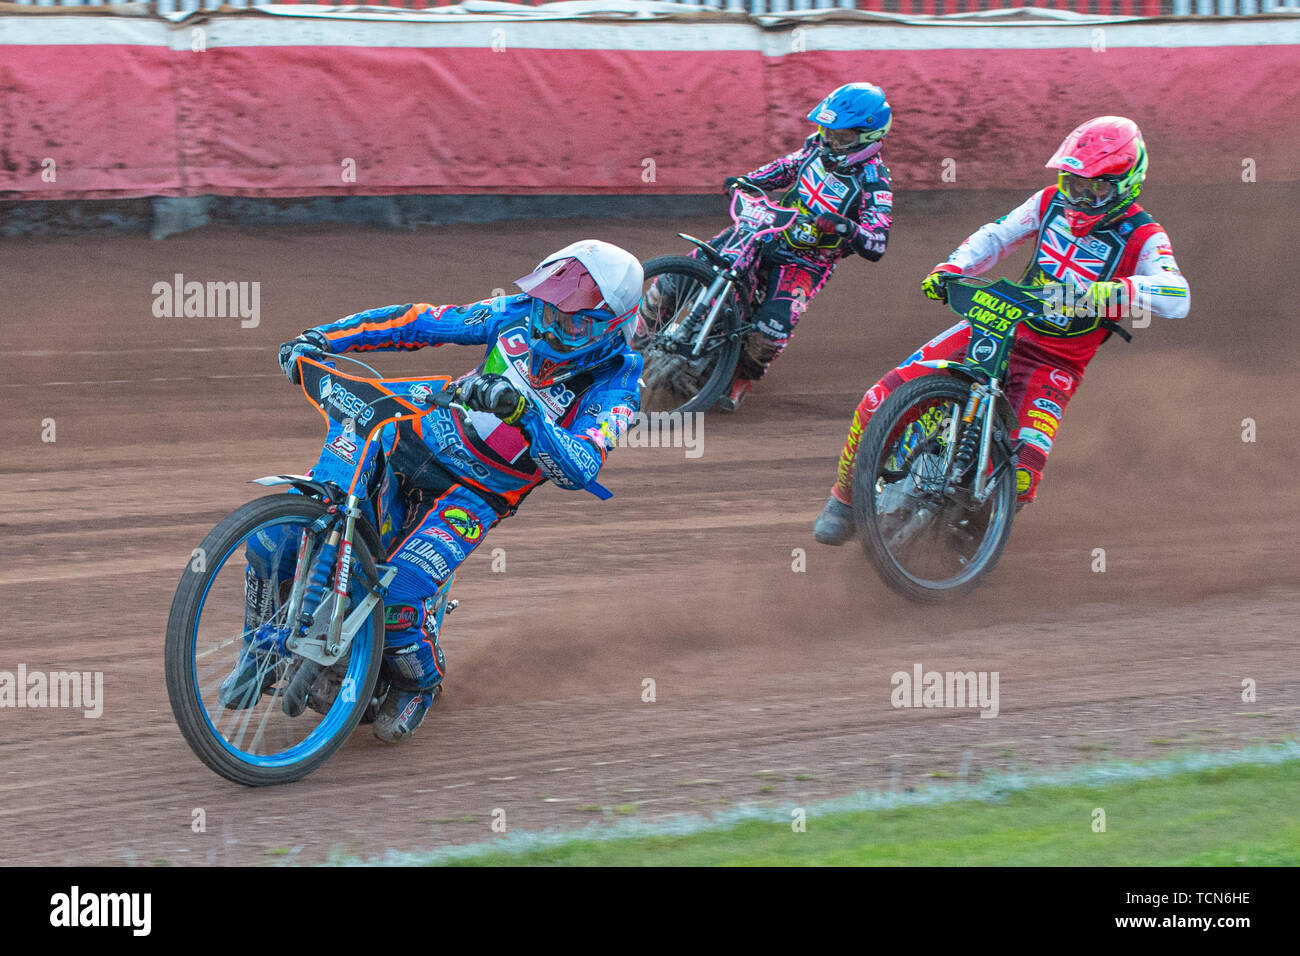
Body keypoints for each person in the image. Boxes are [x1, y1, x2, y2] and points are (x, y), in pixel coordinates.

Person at [222, 240, 644, 742]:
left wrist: (525, 415)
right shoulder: (515, 313)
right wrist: (323, 339)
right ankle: (257, 647)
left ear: (613, 325)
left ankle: (420, 683)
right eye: (546, 308)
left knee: (398, 595)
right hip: (415, 432)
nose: (548, 326)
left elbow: (578, 468)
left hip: (478, 492)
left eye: (570, 321)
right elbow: (421, 322)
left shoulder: (618, 385)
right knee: (279, 535)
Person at [813, 116, 1190, 544]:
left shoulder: (1145, 235)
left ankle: (971, 538)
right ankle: (843, 502)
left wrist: (1104, 292)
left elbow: (1177, 296)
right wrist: (953, 266)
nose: (1080, 199)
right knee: (878, 398)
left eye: (1094, 189)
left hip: (1054, 362)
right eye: (1073, 184)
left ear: (1126, 185)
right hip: (997, 323)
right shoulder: (1049, 202)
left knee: (1023, 478)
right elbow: (996, 236)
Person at [709, 82, 895, 411]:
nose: (830, 141)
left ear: (868, 136)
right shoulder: (816, 147)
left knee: (771, 330)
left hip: (807, 262)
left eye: (841, 136)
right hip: (770, 228)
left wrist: (845, 226)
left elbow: (878, 241)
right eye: (827, 131)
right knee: (701, 263)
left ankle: (740, 377)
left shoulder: (874, 181)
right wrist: (748, 181)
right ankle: (644, 326)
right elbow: (786, 167)